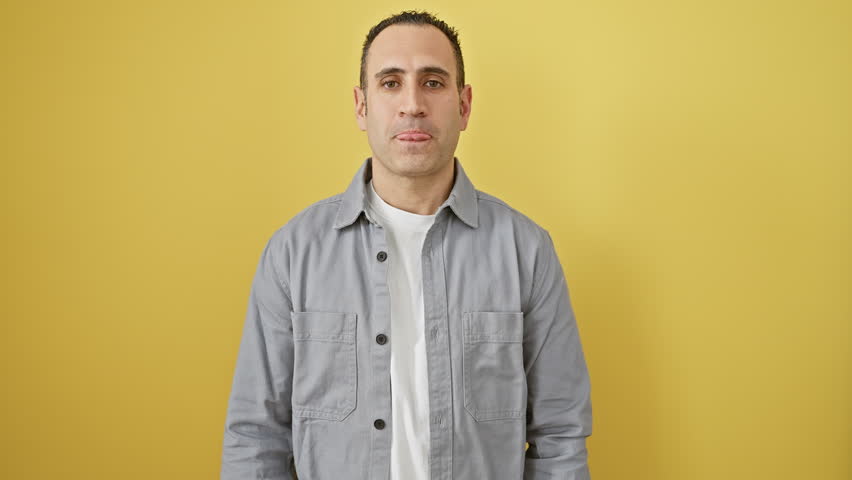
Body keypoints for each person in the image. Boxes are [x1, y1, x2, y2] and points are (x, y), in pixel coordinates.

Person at [220, 9, 592, 480]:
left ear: (465, 104)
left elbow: (560, 435)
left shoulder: (526, 252)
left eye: (433, 83)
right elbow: (255, 438)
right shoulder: (293, 255)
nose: (412, 104)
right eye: (391, 82)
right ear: (361, 105)